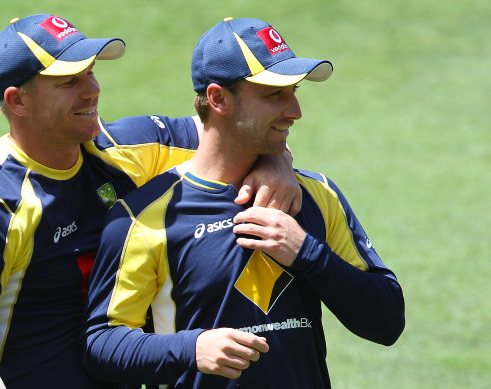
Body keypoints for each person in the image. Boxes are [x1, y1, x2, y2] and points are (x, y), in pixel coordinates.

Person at [0, 14, 301, 389]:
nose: (91, 90)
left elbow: (238, 127)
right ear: (18, 100)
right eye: (69, 81)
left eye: (90, 72)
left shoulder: (125, 149)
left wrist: (275, 162)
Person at [82, 17, 406, 388]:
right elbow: (100, 344)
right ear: (219, 98)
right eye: (274, 95)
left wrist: (305, 253)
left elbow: (387, 323)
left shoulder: (316, 195)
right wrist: (192, 347)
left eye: (294, 90)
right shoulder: (143, 218)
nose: (295, 111)